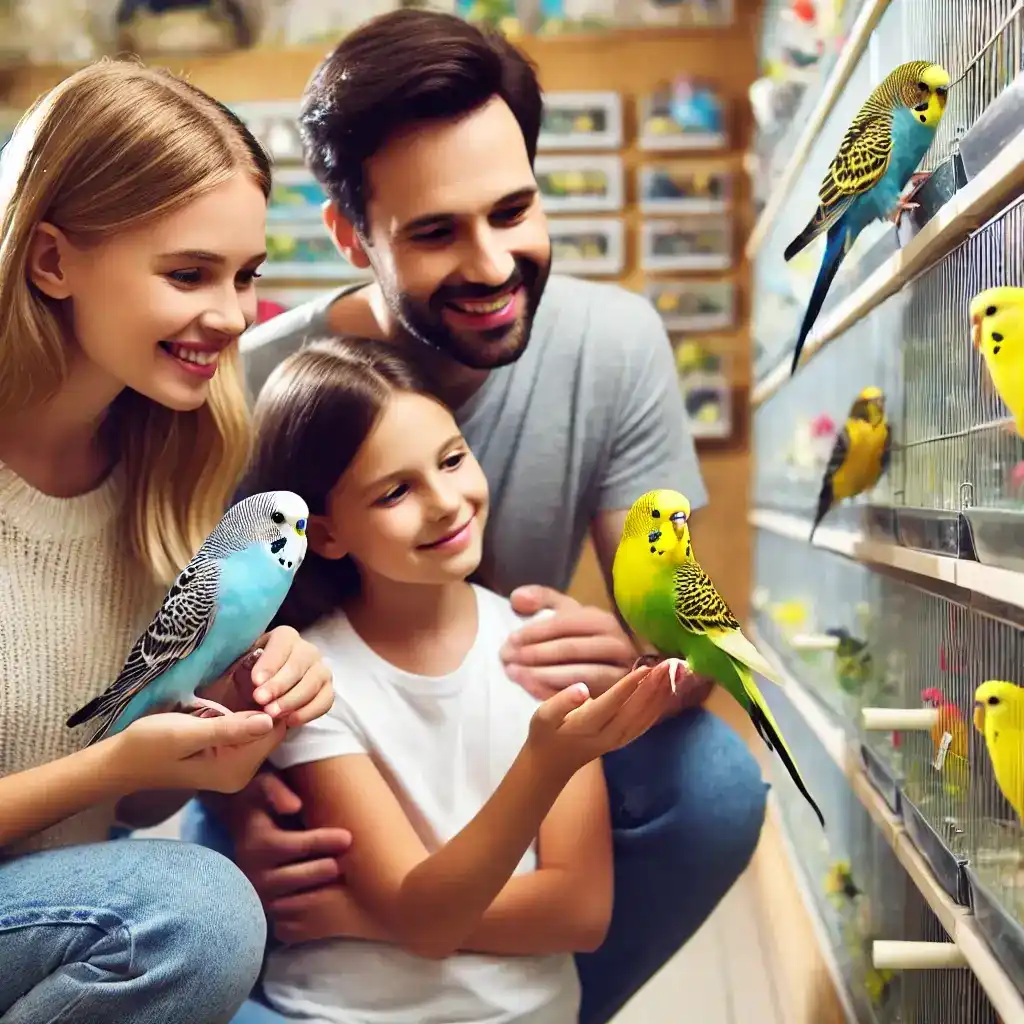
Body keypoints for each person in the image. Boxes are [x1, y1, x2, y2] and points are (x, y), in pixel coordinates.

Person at [185, 9, 769, 1023]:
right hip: (309, 771)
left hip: (499, 733)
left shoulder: (617, 342)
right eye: (437, 231)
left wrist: (638, 665)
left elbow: (688, 627)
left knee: (716, 783)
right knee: (200, 928)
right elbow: (188, 656)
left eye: (513, 210)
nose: (495, 265)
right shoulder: (253, 389)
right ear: (348, 232)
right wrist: (240, 806)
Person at [0, 59, 334, 1024]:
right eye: (189, 274)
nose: (231, 316)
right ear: (52, 260)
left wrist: (220, 705)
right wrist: (118, 765)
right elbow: (130, 865)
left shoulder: (175, 480)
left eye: (245, 276)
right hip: (89, 925)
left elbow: (121, 821)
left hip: (53, 935)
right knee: (196, 911)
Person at [234, 336, 677, 1023]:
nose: (445, 502)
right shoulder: (314, 680)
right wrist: (545, 763)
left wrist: (360, 916)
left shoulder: (542, 651)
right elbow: (429, 917)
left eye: (452, 459)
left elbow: (580, 913)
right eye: (395, 491)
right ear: (325, 535)